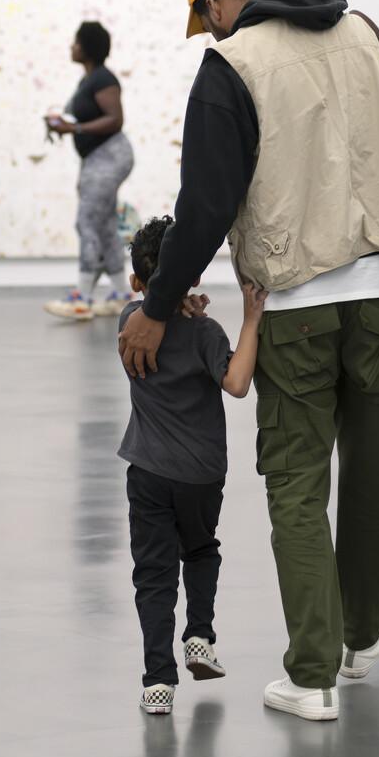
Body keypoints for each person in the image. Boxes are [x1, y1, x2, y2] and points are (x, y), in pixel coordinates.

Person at [118, 0, 379, 721]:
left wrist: (156, 307)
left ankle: (312, 673)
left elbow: (205, 203)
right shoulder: (363, 32)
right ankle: (363, 627)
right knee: (375, 468)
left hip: (296, 301)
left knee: (295, 481)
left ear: (218, 3)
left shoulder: (231, 65)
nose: (210, 31)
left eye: (205, 17)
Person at [119, 214, 267, 715]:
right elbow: (238, 383)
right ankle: (199, 636)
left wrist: (174, 302)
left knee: (154, 574)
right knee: (200, 551)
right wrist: (251, 319)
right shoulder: (207, 334)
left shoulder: (128, 325)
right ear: (196, 276)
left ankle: (158, 682)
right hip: (202, 474)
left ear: (138, 282)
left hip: (148, 472)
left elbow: (153, 311)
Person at [44, 21, 134, 321]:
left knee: (86, 222)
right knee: (105, 225)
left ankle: (82, 297)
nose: (71, 46)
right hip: (97, 159)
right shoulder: (89, 80)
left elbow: (115, 119)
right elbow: (82, 119)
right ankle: (122, 294)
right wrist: (62, 123)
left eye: (75, 41)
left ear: (86, 47)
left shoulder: (103, 79)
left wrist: (75, 127)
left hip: (109, 156)